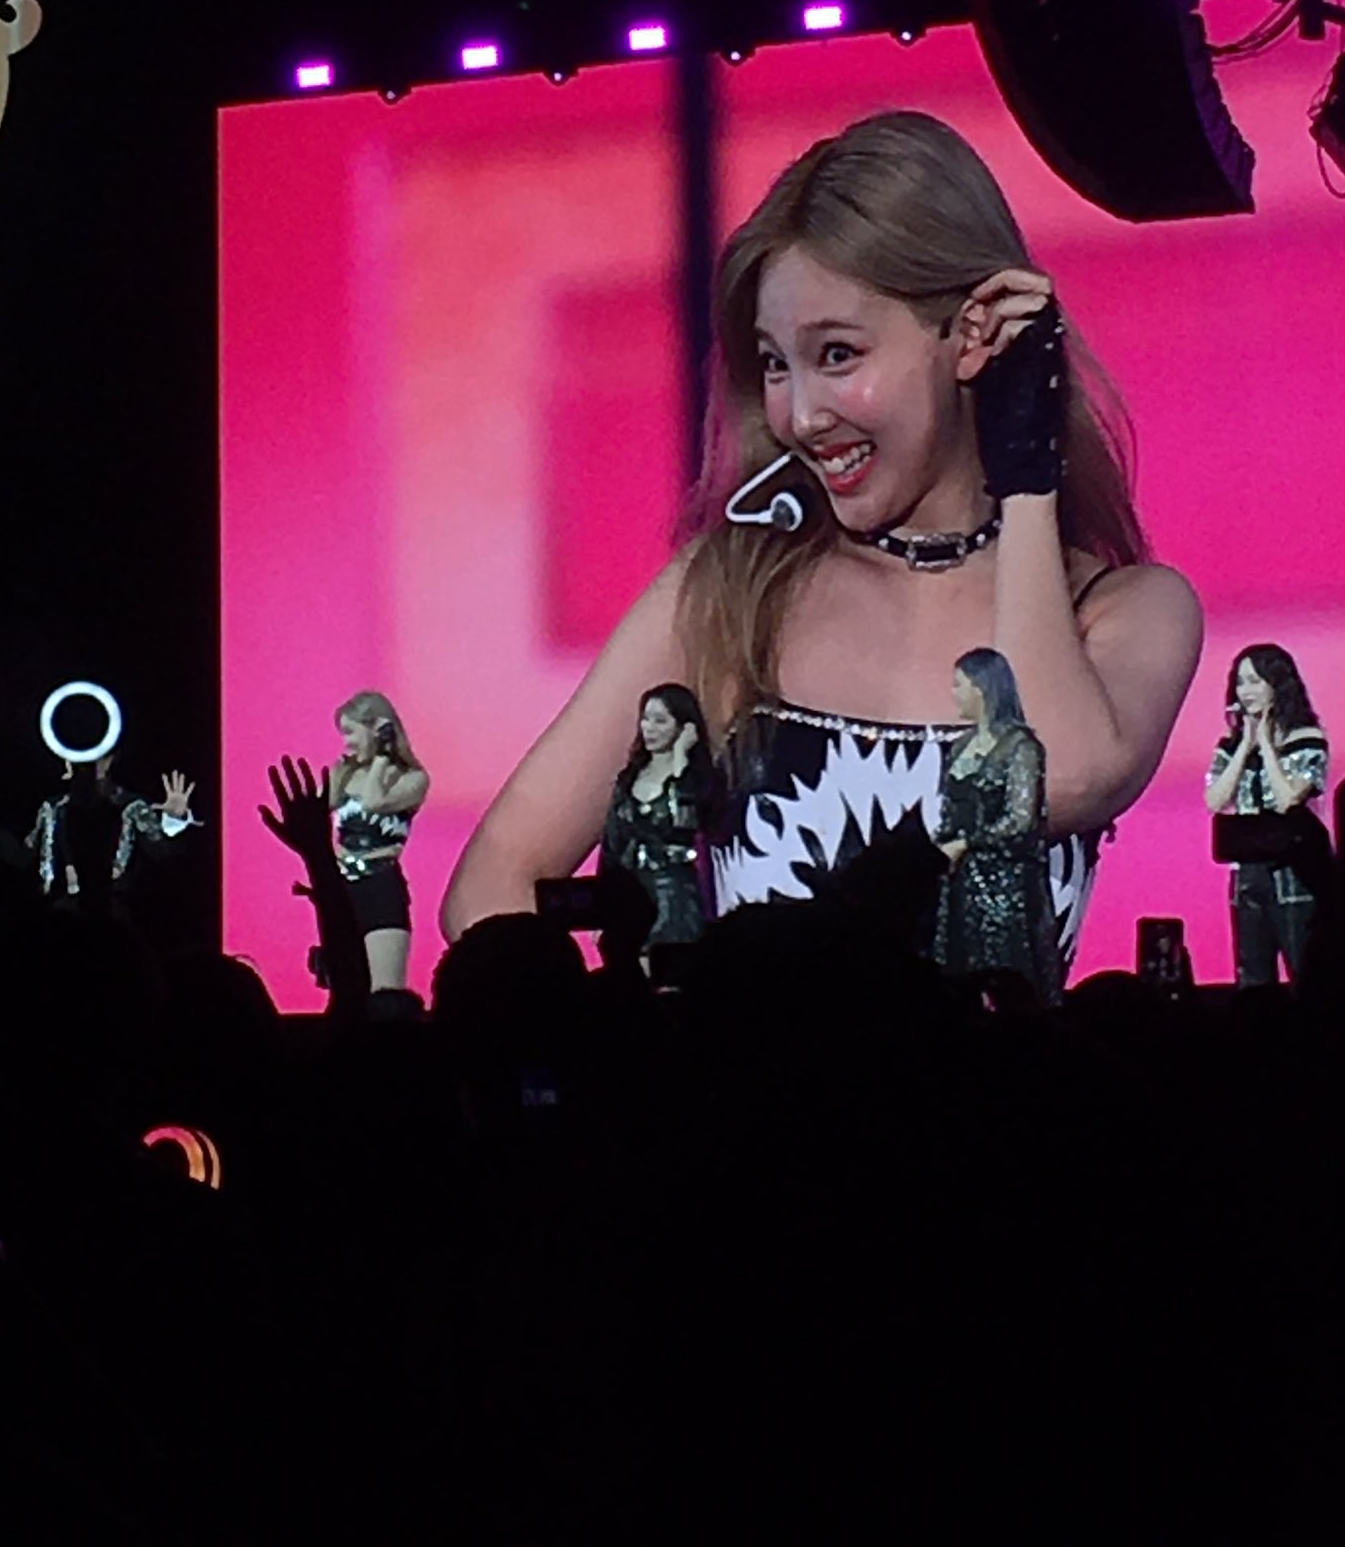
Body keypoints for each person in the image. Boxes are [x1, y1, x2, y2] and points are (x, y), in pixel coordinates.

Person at [441, 111, 1202, 969]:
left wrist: (1028, 469)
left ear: (973, 335)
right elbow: (494, 883)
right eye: (775, 363)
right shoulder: (730, 595)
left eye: (837, 354)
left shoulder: (1125, 610)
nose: (801, 416)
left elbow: (1055, 779)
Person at [931, 648, 1062, 1007]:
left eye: (959, 684)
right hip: (959, 884)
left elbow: (1020, 820)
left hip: (1005, 885)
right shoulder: (960, 746)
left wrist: (967, 844)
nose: (954, 693)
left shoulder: (1022, 748)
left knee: (1004, 974)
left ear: (981, 687)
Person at [1204, 645, 1329, 987]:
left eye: (1256, 681)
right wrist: (1245, 745)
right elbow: (1215, 800)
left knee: (1305, 966)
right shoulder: (1230, 747)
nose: (1246, 691)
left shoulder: (1306, 739)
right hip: (1247, 870)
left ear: (1277, 684)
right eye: (1240, 682)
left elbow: (1289, 798)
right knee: (1252, 973)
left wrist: (1267, 746)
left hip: (1295, 868)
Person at [0, 754, 196, 910]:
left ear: (109, 760)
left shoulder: (130, 807)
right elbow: (23, 856)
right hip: (57, 917)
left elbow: (163, 855)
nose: (86, 764)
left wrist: (174, 821)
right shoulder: (52, 809)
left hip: (110, 917)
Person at [597, 684, 717, 948]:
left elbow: (685, 823)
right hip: (631, 896)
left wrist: (680, 760)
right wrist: (602, 904)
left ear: (684, 727)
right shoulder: (628, 779)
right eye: (646, 719)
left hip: (676, 897)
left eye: (660, 721)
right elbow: (612, 844)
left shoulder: (697, 779)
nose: (649, 728)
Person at [328, 690, 429, 992]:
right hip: (341, 887)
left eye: (350, 732)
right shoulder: (344, 774)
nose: (346, 742)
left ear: (378, 728)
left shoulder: (411, 778)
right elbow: (320, 807)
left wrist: (383, 757)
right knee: (344, 989)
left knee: (385, 990)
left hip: (380, 886)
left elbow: (374, 801)